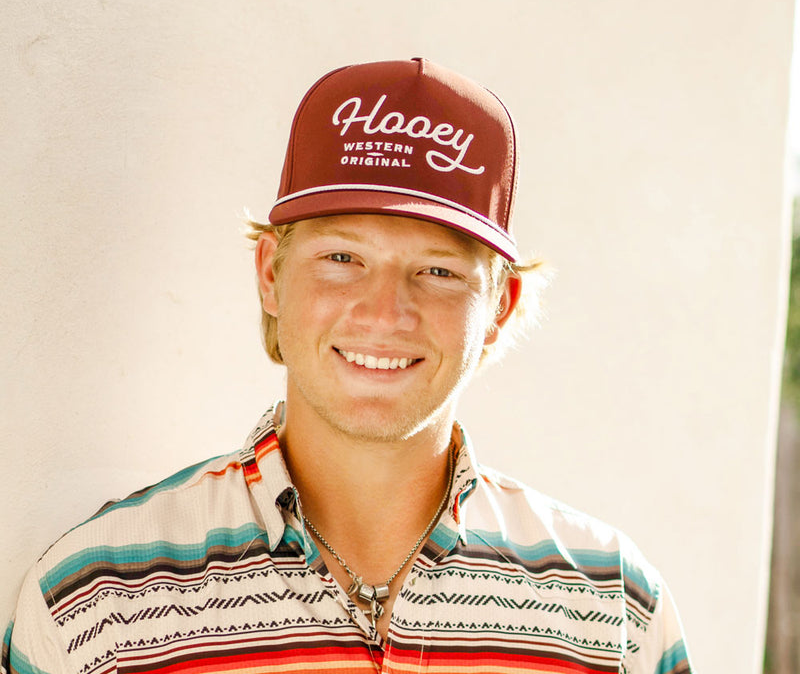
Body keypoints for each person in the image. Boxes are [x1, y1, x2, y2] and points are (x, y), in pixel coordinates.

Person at [2, 58, 693, 674]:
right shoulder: (95, 604)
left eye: (438, 270)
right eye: (342, 258)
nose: (385, 311)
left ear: (501, 307)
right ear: (271, 273)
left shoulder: (612, 610)